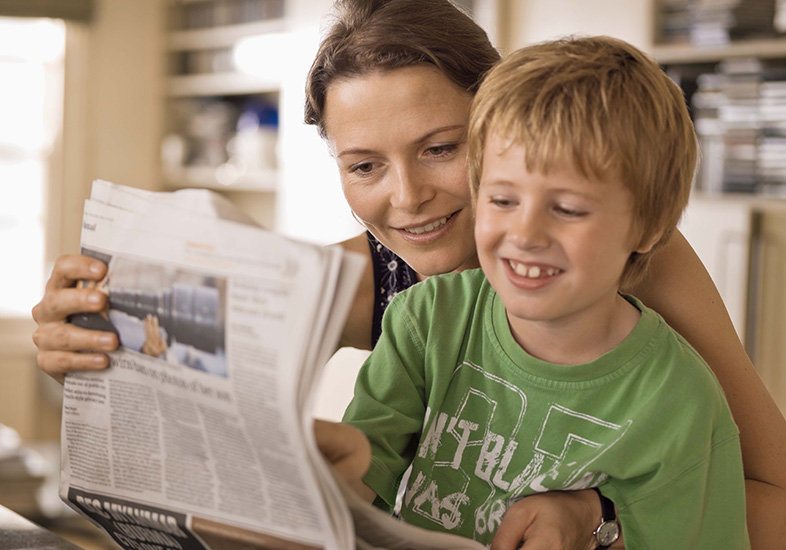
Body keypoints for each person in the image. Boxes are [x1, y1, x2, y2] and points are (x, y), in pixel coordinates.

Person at [30, 0, 786, 547]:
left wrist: (596, 514)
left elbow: (768, 497)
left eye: (440, 148)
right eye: (364, 165)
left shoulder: (628, 263)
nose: (407, 199)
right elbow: (196, 386)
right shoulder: (372, 285)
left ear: (501, 130)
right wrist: (98, 345)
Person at [341, 35, 749, 549]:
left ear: (648, 227)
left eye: (569, 209)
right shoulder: (423, 318)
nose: (526, 234)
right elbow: (357, 469)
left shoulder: (681, 400)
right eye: (503, 199)